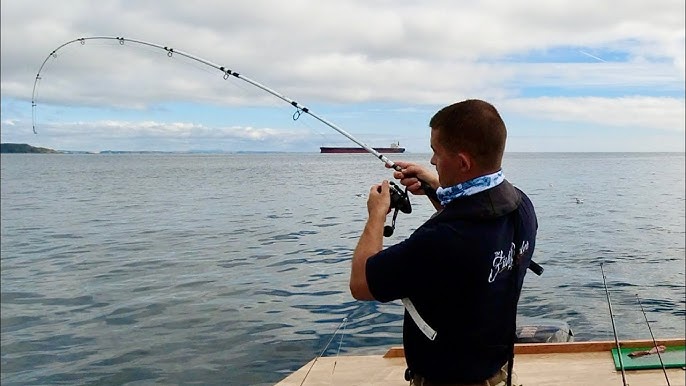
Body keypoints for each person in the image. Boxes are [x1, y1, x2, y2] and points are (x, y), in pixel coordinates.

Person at [349, 99, 537, 386]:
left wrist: (377, 214)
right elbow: (477, 224)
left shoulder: (439, 241)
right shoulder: (521, 207)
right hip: (497, 374)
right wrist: (436, 187)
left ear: (462, 162)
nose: (433, 161)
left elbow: (361, 284)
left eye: (436, 152)